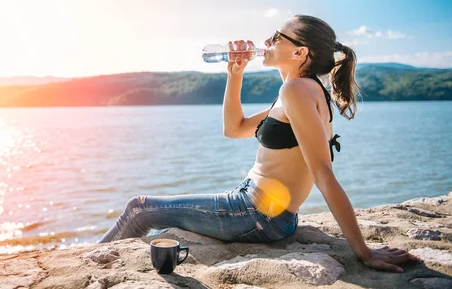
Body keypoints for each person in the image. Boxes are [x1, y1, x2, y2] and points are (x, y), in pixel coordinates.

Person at [99, 15, 419, 273]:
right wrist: (235, 72)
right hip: (264, 210)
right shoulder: (299, 92)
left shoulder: (297, 91)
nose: (266, 42)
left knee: (139, 208)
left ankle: (92, 262)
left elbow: (323, 173)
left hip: (256, 213)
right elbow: (234, 129)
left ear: (300, 52)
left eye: (276, 37)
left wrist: (363, 252)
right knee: (147, 214)